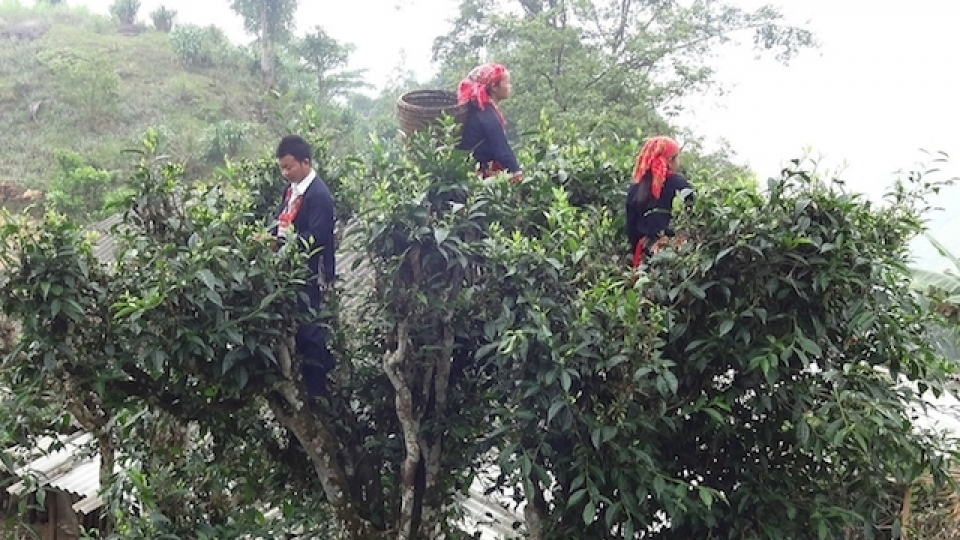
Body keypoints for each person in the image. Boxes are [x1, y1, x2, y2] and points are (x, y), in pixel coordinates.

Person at [273, 135, 337, 397]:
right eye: (282, 168)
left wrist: (281, 243)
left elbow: (317, 236)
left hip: (311, 271)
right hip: (294, 270)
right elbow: (283, 221)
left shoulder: (318, 194)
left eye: (289, 167)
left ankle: (317, 390)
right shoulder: (293, 189)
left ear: (305, 162)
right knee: (300, 328)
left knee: (311, 330)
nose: (285, 172)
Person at [625, 136, 693, 269]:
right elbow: (692, 218)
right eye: (676, 157)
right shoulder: (679, 184)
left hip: (645, 254)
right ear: (670, 160)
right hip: (676, 252)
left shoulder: (635, 188)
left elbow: (631, 229)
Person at [457, 63, 523, 183]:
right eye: (507, 83)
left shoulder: (478, 109)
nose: (510, 86)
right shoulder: (486, 115)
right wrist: (517, 172)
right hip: (477, 177)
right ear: (494, 86)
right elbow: (502, 151)